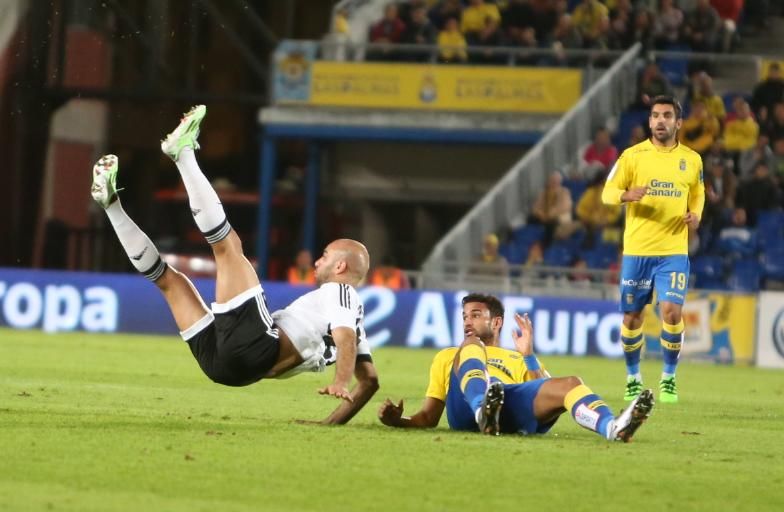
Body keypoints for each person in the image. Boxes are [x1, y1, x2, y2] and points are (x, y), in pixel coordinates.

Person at [89, 105, 379, 424]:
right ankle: (110, 204)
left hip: (257, 347)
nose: (318, 260)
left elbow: (344, 338)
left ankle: (182, 153)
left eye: (326, 255)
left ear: (340, 269)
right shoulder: (356, 320)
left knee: (228, 248)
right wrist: (328, 424)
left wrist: (339, 382)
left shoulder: (342, 293)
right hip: (231, 371)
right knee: (169, 281)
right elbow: (370, 381)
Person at [378, 293, 654, 442]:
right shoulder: (451, 355)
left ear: (496, 322)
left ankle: (612, 428)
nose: (467, 322)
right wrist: (397, 421)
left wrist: (529, 355)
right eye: (464, 316)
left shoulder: (519, 358)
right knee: (473, 346)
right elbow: (429, 417)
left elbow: (545, 397)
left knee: (570, 383)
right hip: (465, 409)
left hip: (507, 405)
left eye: (475, 315)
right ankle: (481, 410)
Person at [602, 95, 705, 404]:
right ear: (649, 122)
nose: (661, 120)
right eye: (656, 115)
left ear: (678, 122)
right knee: (632, 316)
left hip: (673, 249)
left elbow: (698, 192)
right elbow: (607, 192)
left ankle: (668, 378)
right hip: (637, 251)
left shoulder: (692, 159)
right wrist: (625, 195)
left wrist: (696, 214)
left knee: (671, 311)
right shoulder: (632, 156)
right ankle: (633, 377)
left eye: (667, 115)